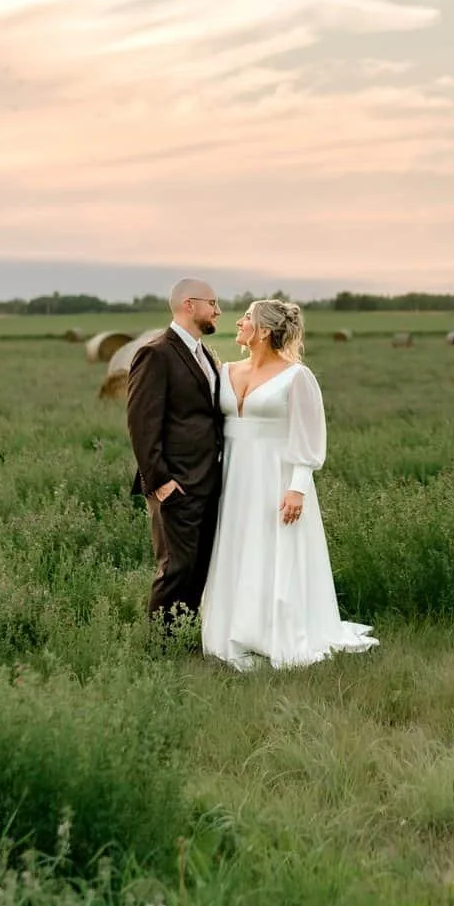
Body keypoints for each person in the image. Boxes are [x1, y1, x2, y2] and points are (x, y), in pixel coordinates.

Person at [200, 297, 376, 670]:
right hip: (234, 479)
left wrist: (297, 486)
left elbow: (308, 435)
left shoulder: (297, 377)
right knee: (237, 547)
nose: (238, 323)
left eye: (246, 318)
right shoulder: (225, 370)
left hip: (277, 477)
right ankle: (233, 630)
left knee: (274, 549)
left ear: (263, 330)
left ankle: (276, 632)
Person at [126, 277, 226, 626]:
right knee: (175, 568)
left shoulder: (205, 355)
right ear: (190, 305)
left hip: (206, 480)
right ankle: (159, 652)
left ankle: (186, 641)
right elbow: (142, 424)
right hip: (175, 483)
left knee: (198, 567)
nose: (218, 311)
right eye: (213, 303)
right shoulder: (156, 354)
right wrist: (160, 482)